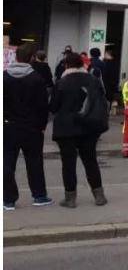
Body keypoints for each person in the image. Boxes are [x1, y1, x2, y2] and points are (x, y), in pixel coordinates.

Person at [50, 52, 108, 208]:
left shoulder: (61, 83)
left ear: (67, 65)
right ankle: (99, 195)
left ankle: (70, 198)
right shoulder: (94, 81)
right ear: (83, 64)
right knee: (90, 161)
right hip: (89, 128)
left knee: (68, 163)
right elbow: (101, 101)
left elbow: (53, 106)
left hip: (66, 129)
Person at [4, 43, 52, 210]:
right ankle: (39, 196)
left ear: (15, 57)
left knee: (7, 162)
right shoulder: (36, 79)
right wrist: (42, 125)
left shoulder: (5, 77)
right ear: (31, 58)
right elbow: (42, 106)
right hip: (32, 128)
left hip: (9, 126)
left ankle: (8, 199)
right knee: (35, 162)